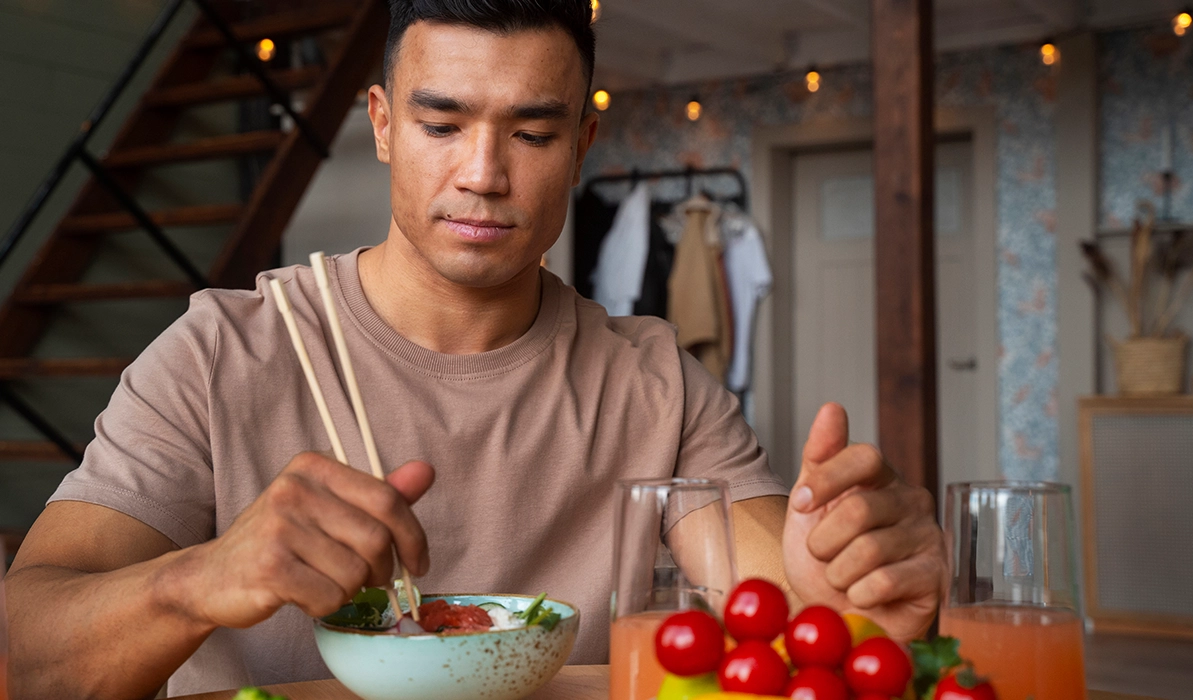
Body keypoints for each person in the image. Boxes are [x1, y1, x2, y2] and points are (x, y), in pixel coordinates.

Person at [5, 1, 945, 697]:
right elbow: (25, 654)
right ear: (381, 124)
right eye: (442, 124)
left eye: (532, 132)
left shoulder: (654, 379)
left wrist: (842, 590)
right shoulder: (223, 351)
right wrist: (198, 581)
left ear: (581, 144)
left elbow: (778, 596)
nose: (484, 174)